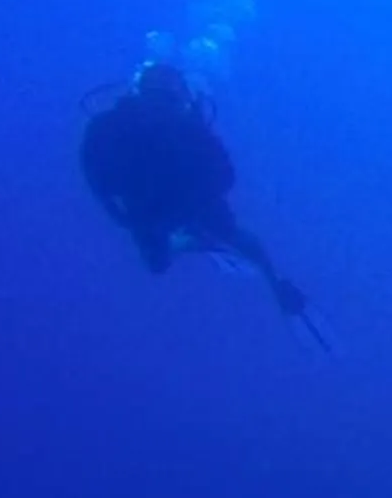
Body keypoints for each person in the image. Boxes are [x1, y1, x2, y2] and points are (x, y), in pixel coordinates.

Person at [79, 59, 323, 342]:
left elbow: (94, 175)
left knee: (159, 260)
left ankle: (191, 242)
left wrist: (121, 216)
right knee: (234, 240)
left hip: (148, 209)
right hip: (178, 206)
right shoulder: (183, 126)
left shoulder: (110, 124)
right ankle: (271, 279)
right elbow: (225, 175)